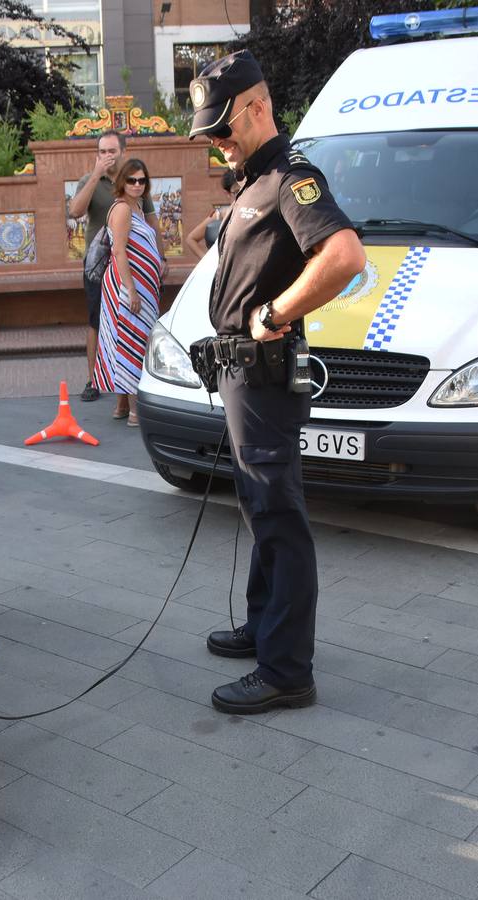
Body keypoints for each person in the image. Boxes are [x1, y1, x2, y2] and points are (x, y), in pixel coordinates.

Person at [189, 51, 366, 714]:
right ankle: (263, 626)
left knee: (279, 515)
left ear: (258, 106)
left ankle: (288, 668)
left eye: (224, 129)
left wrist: (274, 313)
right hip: (242, 374)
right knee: (259, 508)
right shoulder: (253, 181)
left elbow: (344, 257)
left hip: (263, 378)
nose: (217, 143)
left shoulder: (293, 178)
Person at [67, 131, 159, 402]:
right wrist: (96, 175)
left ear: (123, 152)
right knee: (98, 321)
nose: (108, 156)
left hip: (135, 268)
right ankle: (93, 379)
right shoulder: (91, 180)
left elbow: (152, 223)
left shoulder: (135, 180)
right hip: (102, 266)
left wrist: (161, 258)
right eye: (103, 151)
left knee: (131, 323)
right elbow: (74, 211)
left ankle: (126, 387)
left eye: (112, 151)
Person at [93, 159, 163, 427]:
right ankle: (135, 412)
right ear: (122, 181)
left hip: (141, 287)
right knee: (133, 341)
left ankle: (123, 405)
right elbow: (119, 251)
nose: (137, 185)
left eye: (141, 180)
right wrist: (130, 289)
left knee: (132, 338)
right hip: (129, 286)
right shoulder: (122, 209)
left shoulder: (139, 207)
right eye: (132, 180)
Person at [183, 169, 239, 260]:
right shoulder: (220, 215)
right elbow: (191, 239)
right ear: (228, 193)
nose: (241, 195)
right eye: (236, 192)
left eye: (244, 190)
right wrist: (208, 261)